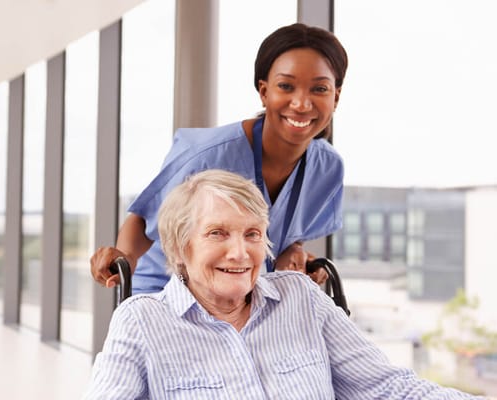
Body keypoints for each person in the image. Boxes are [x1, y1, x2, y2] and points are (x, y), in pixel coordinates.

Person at [84, 170, 484, 399]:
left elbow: (388, 388)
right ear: (180, 246)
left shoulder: (301, 298)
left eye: (253, 234)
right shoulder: (141, 322)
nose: (240, 253)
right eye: (218, 234)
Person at [91, 22, 347, 294]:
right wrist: (124, 258)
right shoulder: (207, 155)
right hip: (167, 295)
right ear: (264, 92)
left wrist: (294, 252)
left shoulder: (328, 168)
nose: (302, 103)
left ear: (336, 97)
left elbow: (288, 234)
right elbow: (143, 221)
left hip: (242, 302)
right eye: (286, 86)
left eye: (319, 89)